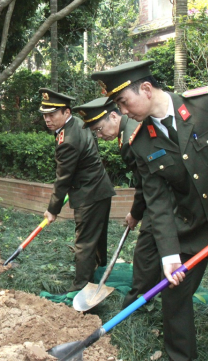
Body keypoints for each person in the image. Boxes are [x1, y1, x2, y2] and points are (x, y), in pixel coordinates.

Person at [92, 60, 208, 360]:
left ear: (145, 89)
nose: (123, 111)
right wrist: (169, 254)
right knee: (173, 298)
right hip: (190, 230)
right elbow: (157, 202)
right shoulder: (141, 141)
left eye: (123, 101)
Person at [73, 97, 161, 307]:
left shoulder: (132, 138)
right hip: (157, 196)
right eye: (95, 132)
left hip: (161, 199)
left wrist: (136, 213)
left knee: (145, 253)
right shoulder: (128, 131)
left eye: (100, 129)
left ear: (114, 116)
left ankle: (138, 303)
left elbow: (144, 183)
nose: (100, 136)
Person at [39, 89, 116, 293]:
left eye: (52, 114)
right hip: (100, 188)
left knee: (84, 242)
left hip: (89, 193)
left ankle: (81, 287)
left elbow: (63, 178)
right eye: (45, 115)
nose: (47, 119)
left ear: (66, 112)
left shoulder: (68, 140)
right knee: (97, 236)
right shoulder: (78, 124)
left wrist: (52, 209)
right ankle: (97, 269)